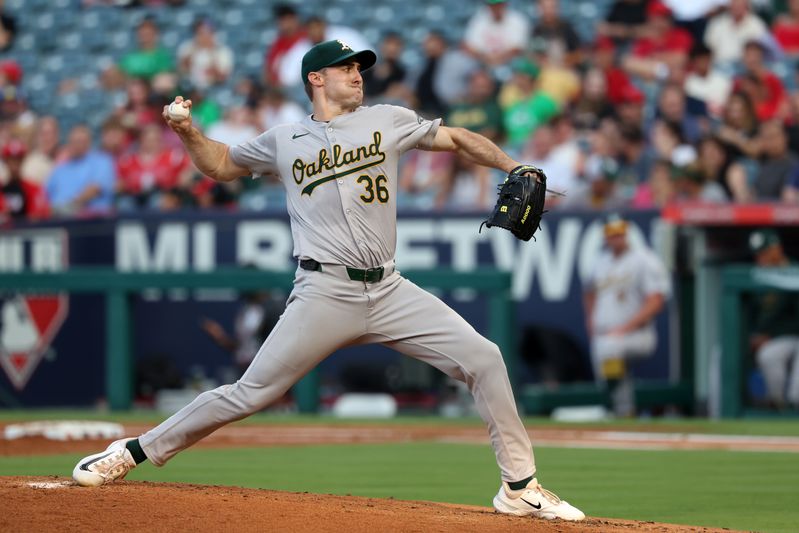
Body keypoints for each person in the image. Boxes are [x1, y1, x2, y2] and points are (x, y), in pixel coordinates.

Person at [72, 39, 585, 522]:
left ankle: (519, 488)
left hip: (389, 289)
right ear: (315, 77)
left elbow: (454, 138)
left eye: (360, 67)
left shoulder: (387, 119)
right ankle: (133, 451)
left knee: (484, 358)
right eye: (347, 67)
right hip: (324, 291)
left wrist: (512, 163)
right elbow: (223, 164)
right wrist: (188, 133)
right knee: (250, 393)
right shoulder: (284, 140)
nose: (357, 74)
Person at [583, 214, 671, 417]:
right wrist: (590, 318)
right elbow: (588, 291)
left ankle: (621, 409)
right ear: (605, 236)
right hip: (606, 333)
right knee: (606, 358)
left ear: (626, 233)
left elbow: (656, 301)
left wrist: (625, 328)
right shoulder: (600, 261)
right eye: (612, 235)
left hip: (638, 334)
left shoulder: (644, 259)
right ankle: (617, 409)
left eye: (619, 234)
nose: (616, 239)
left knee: (610, 349)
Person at [747, 229, 799, 410]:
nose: (761, 259)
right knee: (768, 355)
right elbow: (750, 315)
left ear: (777, 249)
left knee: (772, 355)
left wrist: (771, 334)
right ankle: (778, 406)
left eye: (765, 252)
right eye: (758, 255)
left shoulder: (795, 271)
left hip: (792, 335)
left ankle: (793, 405)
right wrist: (753, 336)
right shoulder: (757, 276)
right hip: (770, 339)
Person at [45, 125, 116, 216]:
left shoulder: (102, 161)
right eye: (73, 141)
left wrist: (71, 204)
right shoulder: (60, 169)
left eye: (80, 141)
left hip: (93, 221)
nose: (76, 145)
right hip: (59, 219)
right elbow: (46, 195)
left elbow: (95, 189)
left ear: (89, 142)